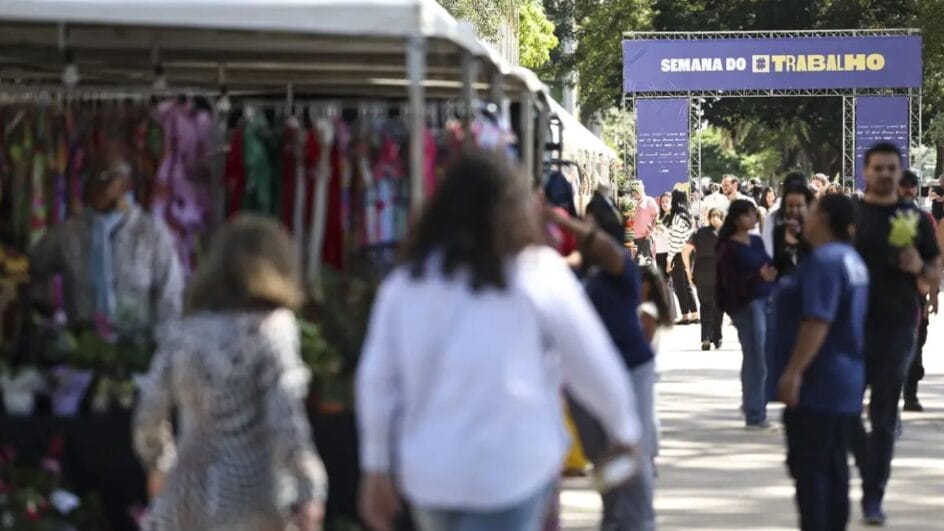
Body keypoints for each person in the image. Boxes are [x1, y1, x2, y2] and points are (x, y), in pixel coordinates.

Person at [356, 151, 641, 531]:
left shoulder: (406, 284)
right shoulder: (537, 273)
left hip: (432, 474)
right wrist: (624, 429)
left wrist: (376, 465)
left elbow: (377, 381)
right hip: (515, 468)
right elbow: (591, 361)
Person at [133, 214, 327, 531]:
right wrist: (310, 486)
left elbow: (149, 410)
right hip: (253, 497)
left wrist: (160, 464)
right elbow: (285, 419)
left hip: (186, 496)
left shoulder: (184, 332)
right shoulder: (272, 328)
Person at [550, 197, 658, 531]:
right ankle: (615, 519)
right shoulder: (585, 270)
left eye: (589, 223)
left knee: (634, 456)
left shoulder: (620, 265)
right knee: (603, 456)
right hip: (591, 376)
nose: (583, 230)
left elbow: (602, 247)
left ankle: (638, 522)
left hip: (630, 368)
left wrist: (562, 221)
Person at [849, 143, 941, 526]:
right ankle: (869, 463)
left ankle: (874, 494)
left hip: (899, 324)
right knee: (844, 410)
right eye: (878, 168)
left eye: (891, 168)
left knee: (885, 413)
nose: (885, 174)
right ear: (866, 172)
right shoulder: (850, 217)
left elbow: (934, 274)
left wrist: (921, 266)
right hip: (850, 327)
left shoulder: (916, 220)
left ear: (899, 172)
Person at [772, 194, 869, 531]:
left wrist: (794, 372)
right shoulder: (850, 260)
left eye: (811, 212)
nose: (804, 217)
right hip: (843, 382)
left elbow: (817, 320)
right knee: (832, 469)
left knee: (812, 473)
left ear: (824, 218)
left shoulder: (826, 262)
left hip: (819, 382)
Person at [30, 155, 183, 331]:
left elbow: (171, 294)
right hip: (81, 346)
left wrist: (164, 342)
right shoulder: (68, 233)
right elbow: (34, 266)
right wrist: (46, 307)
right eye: (88, 178)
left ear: (125, 184)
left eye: (103, 178)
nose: (92, 186)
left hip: (137, 345)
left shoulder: (151, 232)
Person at [716, 200, 777, 429]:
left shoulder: (757, 241)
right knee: (757, 357)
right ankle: (755, 411)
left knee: (757, 356)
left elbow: (768, 264)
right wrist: (757, 277)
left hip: (763, 300)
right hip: (745, 304)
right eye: (749, 215)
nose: (753, 219)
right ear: (738, 218)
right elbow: (729, 281)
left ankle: (752, 404)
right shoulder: (728, 247)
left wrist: (769, 276)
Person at [898, 170, 938, 412]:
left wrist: (932, 295)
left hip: (915, 295)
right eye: (904, 185)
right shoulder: (882, 217)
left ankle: (910, 394)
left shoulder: (924, 220)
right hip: (884, 297)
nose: (908, 190)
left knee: (916, 344)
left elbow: (934, 259)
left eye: (912, 185)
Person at [685, 208, 724, 350]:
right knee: (718, 307)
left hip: (701, 273)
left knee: (705, 306)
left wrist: (688, 270)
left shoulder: (699, 232)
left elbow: (685, 251)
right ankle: (717, 337)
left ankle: (706, 338)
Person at [666, 190, 699, 325]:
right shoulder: (687, 216)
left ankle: (685, 315)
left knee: (680, 286)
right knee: (687, 284)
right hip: (689, 252)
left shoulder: (676, 217)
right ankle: (694, 314)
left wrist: (669, 260)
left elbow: (675, 241)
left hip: (678, 253)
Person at [770, 182, 814, 278]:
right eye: (790, 206)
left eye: (799, 206)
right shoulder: (778, 232)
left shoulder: (816, 233)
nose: (794, 211)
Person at [632, 183, 660, 260]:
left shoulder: (649, 200)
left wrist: (651, 230)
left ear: (638, 191)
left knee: (647, 262)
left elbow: (657, 215)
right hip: (635, 237)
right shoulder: (634, 203)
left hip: (645, 237)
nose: (632, 194)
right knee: (638, 262)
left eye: (633, 192)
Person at [654, 192, 673, 282]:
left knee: (668, 279)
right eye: (662, 202)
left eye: (667, 201)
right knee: (661, 280)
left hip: (669, 252)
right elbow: (656, 236)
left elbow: (673, 236)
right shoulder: (659, 216)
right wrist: (652, 231)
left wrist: (663, 230)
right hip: (659, 251)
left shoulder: (674, 217)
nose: (664, 204)